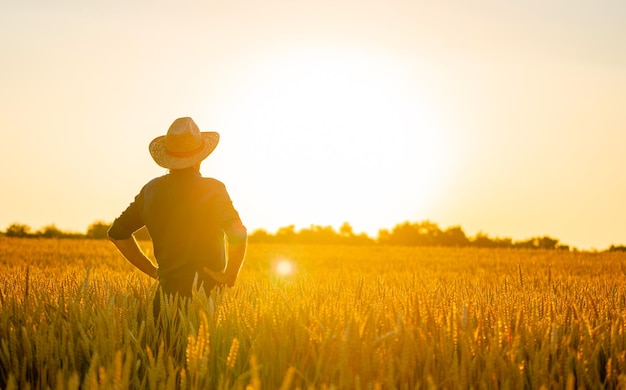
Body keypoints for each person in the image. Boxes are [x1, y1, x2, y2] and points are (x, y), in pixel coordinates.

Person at [107, 117, 247, 304]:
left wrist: (153, 270)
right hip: (206, 297)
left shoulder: (150, 190)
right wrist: (230, 275)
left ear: (168, 157)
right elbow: (238, 233)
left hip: (165, 298)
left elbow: (117, 235)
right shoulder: (213, 189)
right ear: (200, 157)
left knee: (164, 335)